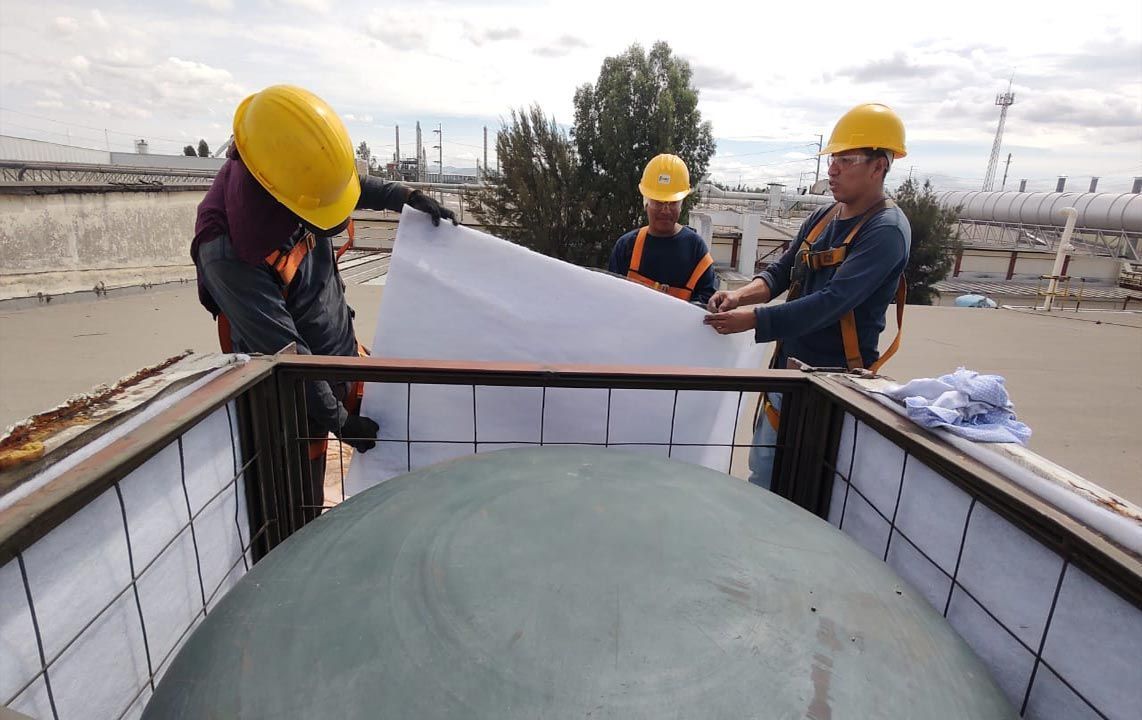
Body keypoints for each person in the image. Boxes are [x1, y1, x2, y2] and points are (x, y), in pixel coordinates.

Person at [191, 85, 455, 504]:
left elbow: (341, 187)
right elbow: (287, 356)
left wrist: (403, 197)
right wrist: (341, 422)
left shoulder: (291, 179)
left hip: (338, 353)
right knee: (299, 499)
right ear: (280, 197)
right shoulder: (227, 253)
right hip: (289, 400)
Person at [704, 103, 911, 489]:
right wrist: (739, 297)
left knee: (808, 491)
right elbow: (783, 270)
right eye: (833, 158)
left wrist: (751, 321)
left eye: (846, 159)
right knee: (763, 473)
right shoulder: (826, 216)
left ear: (879, 166)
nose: (831, 169)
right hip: (789, 373)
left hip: (833, 384)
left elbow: (834, 301)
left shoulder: (886, 231)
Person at [609, 154, 717, 306]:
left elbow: (707, 304)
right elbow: (611, 298)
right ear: (646, 202)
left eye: (672, 203)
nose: (665, 210)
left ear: (682, 204)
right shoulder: (627, 247)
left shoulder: (695, 250)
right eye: (658, 202)